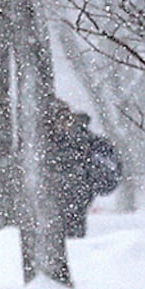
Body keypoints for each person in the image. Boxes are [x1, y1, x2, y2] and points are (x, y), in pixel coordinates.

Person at [47, 103, 123, 240]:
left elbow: (109, 175)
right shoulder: (45, 144)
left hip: (74, 208)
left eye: (65, 118)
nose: (62, 124)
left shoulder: (87, 142)